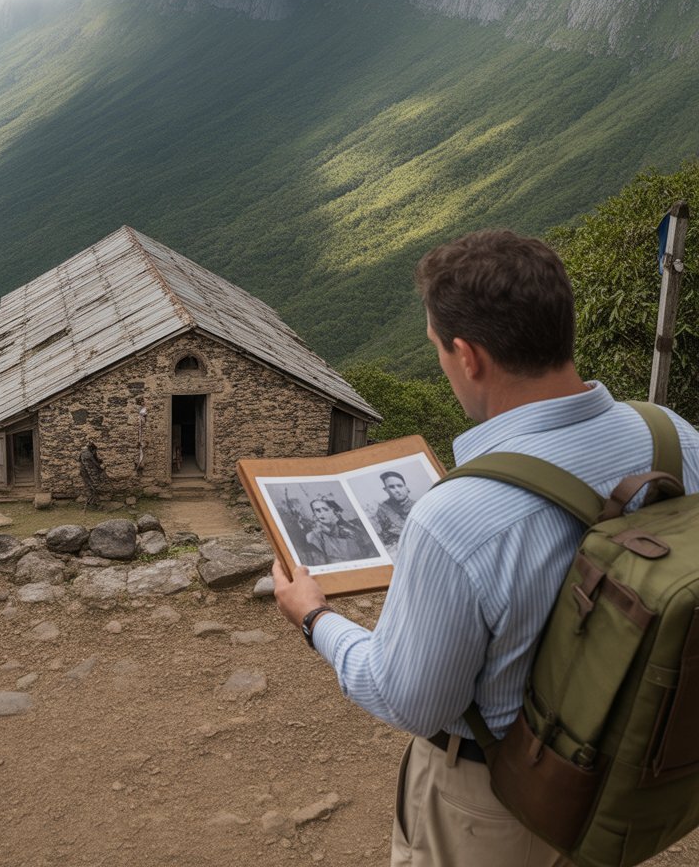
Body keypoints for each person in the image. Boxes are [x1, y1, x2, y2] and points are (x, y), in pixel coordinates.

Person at [272, 229, 699, 867]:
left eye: (438, 350)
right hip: (632, 775)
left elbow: (408, 699)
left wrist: (314, 618)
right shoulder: (678, 439)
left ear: (468, 356)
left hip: (498, 800)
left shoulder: (453, 519)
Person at [303, 496, 378, 565]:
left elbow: (370, 554)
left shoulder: (349, 532)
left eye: (325, 509)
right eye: (317, 511)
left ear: (334, 511)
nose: (321, 514)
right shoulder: (313, 537)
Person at [373, 471, 412, 556]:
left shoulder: (419, 506)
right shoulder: (382, 509)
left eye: (400, 486)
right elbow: (381, 536)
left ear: (406, 487)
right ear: (386, 490)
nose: (397, 490)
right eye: (391, 487)